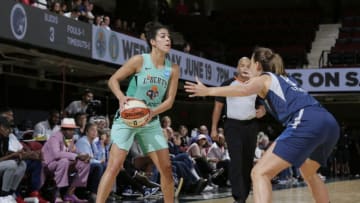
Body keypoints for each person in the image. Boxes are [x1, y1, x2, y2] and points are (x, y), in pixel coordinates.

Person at [184, 47, 340, 203]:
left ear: (257, 65)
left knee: (259, 173)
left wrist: (208, 91)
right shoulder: (284, 79)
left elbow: (243, 90)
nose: (248, 68)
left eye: (250, 64)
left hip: (307, 120)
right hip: (329, 123)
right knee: (309, 171)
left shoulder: (264, 77)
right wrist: (263, 108)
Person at [96, 21, 180, 203]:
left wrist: (152, 112)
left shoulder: (173, 68)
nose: (168, 39)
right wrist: (120, 97)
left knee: (166, 168)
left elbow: (170, 101)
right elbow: (113, 80)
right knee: (114, 166)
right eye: (163, 36)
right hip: (127, 119)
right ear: (153, 42)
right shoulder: (140, 60)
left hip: (151, 121)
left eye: (169, 37)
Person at [210, 57, 264, 203]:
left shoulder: (256, 85)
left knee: (247, 162)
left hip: (251, 126)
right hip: (232, 126)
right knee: (236, 161)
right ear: (237, 67)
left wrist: (262, 110)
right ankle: (238, 197)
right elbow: (218, 108)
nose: (245, 68)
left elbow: (262, 105)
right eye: (242, 65)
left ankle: (244, 194)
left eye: (248, 66)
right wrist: (214, 128)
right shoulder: (227, 84)